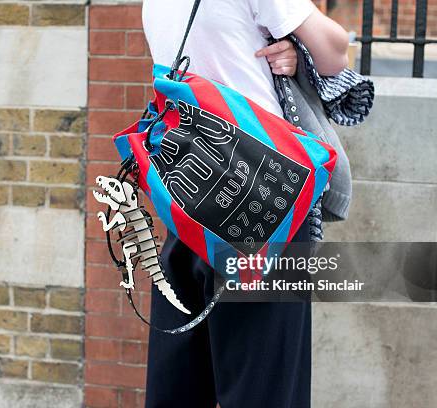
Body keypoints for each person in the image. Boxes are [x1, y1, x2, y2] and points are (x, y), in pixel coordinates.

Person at [142, 1, 350, 407]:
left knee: (180, 384)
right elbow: (335, 53)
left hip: (189, 193)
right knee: (266, 389)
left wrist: (289, 49)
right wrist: (297, 46)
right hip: (263, 193)